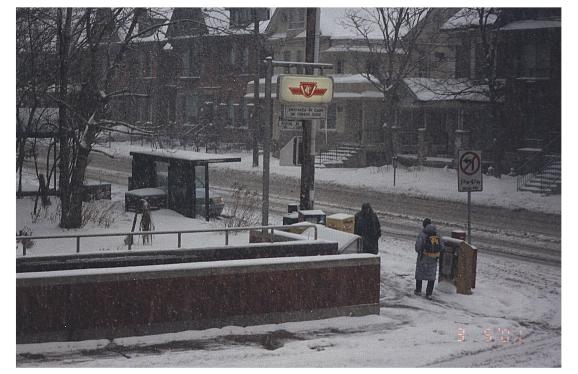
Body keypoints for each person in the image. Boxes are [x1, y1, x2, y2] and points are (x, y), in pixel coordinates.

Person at [414, 218, 444, 299]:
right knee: (431, 276)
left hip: (423, 257)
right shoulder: (437, 234)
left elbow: (418, 247)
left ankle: (418, 290)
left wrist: (421, 252)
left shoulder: (422, 234)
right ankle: (429, 293)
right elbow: (442, 247)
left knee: (420, 274)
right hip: (433, 259)